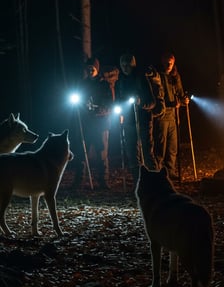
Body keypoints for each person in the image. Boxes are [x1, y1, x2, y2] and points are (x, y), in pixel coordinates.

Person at [72, 57, 117, 190]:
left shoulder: (105, 85)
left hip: (101, 124)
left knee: (101, 152)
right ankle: (79, 181)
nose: (90, 70)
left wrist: (99, 109)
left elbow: (110, 104)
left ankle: (103, 181)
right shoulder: (83, 84)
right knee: (81, 151)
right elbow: (78, 102)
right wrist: (81, 107)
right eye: (88, 68)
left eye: (93, 68)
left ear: (97, 69)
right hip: (86, 124)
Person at [114, 53, 158, 189]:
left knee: (146, 152)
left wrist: (141, 103)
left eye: (128, 65)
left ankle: (156, 182)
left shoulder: (141, 79)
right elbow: (119, 100)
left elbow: (152, 102)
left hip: (143, 120)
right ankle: (138, 184)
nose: (125, 68)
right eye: (123, 65)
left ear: (133, 65)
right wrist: (119, 110)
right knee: (132, 153)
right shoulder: (120, 81)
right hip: (128, 121)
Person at [153, 51, 189, 180]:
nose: (169, 64)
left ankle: (171, 171)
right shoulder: (157, 76)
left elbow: (179, 93)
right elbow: (157, 96)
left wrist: (183, 100)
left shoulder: (175, 76)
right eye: (167, 62)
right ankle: (158, 172)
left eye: (171, 62)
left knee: (172, 147)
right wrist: (170, 103)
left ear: (174, 63)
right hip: (162, 116)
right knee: (160, 146)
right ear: (162, 62)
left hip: (174, 116)